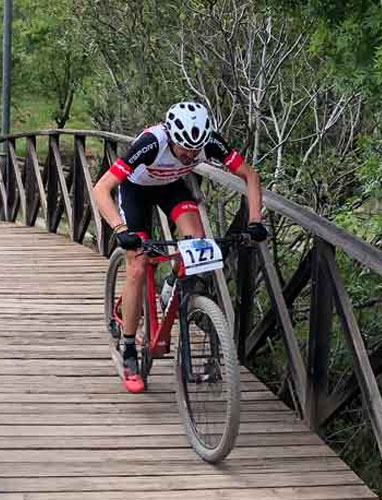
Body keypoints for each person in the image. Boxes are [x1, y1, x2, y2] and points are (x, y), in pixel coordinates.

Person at [93, 101, 267, 393]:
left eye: (194, 150)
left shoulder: (209, 142)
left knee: (196, 242)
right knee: (137, 265)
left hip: (171, 187)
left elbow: (250, 175)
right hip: (135, 191)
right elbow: (101, 188)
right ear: (171, 136)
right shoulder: (151, 143)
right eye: (183, 148)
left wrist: (255, 220)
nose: (189, 154)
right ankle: (129, 349)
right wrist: (120, 229)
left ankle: (172, 283)